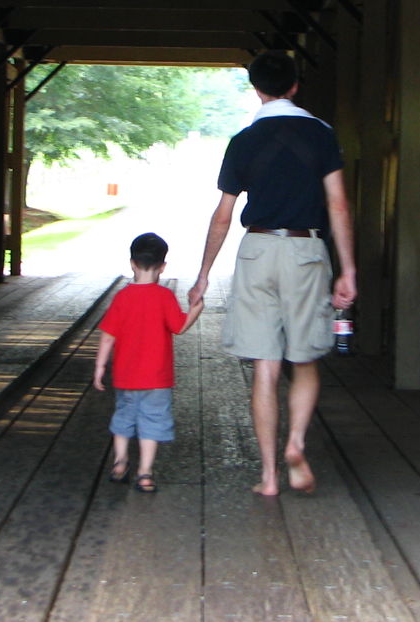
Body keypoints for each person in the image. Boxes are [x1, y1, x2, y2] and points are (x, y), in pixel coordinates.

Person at [188, 51, 356, 496]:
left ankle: (267, 477)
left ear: (256, 88)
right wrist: (348, 269)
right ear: (296, 85)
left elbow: (223, 215)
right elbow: (338, 204)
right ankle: (296, 444)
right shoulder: (321, 134)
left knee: (266, 365)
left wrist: (204, 274)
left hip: (257, 249)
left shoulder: (243, 141)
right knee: (304, 359)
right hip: (305, 248)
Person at [94, 232, 204, 493]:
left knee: (124, 417)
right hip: (157, 379)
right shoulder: (164, 297)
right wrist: (196, 310)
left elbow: (108, 337)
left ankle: (120, 463)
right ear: (163, 266)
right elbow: (179, 327)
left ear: (132, 263)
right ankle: (145, 472)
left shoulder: (121, 298)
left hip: (125, 375)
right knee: (152, 421)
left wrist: (100, 367)